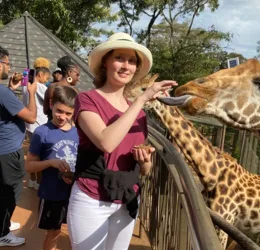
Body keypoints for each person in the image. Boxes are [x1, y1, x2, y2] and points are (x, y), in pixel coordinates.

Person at [67, 32, 177, 250]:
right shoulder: (87, 99)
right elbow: (106, 142)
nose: (126, 65)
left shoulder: (140, 115)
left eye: (132, 61)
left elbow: (144, 169)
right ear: (105, 63)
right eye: (120, 58)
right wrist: (142, 99)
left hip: (127, 199)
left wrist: (144, 160)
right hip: (92, 198)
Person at [0, 44, 37, 247]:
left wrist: (11, 89)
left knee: (1, 188)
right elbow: (31, 117)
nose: (9, 68)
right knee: (10, 192)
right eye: (7, 63)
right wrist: (31, 92)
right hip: (7, 149)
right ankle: (2, 233)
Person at [25, 86, 78, 250]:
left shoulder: (79, 133)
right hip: (52, 193)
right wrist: (50, 163)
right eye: (59, 111)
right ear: (51, 104)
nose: (63, 117)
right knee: (53, 233)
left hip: (75, 193)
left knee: (76, 233)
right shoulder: (42, 132)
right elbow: (29, 166)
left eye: (68, 113)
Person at [22, 57, 50, 190]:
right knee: (38, 156)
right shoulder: (40, 87)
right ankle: (38, 181)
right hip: (39, 124)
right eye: (46, 78)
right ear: (40, 75)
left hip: (29, 124)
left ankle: (32, 180)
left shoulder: (25, 84)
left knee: (31, 154)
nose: (47, 81)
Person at [44, 56, 80, 121]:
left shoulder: (51, 87)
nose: (78, 79)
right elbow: (77, 115)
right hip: (66, 127)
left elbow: (45, 110)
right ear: (69, 72)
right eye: (77, 75)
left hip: (50, 125)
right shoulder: (74, 91)